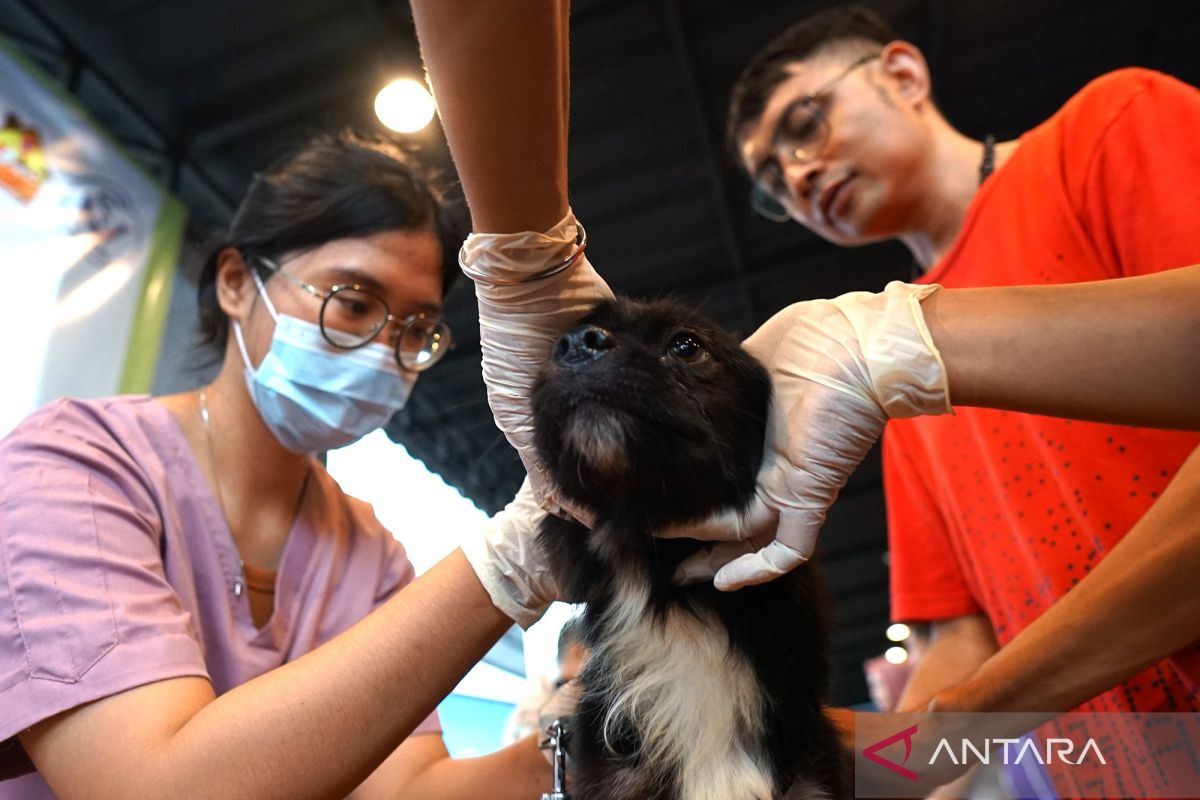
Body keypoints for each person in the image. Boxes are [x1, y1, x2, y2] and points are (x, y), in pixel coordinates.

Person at [410, 1, 1199, 795]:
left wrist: (952, 728)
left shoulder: (1109, 132)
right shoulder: (897, 407)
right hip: (1108, 770)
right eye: (769, 180)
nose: (796, 174)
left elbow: (958, 709)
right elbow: (959, 639)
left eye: (805, 123)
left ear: (902, 72)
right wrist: (853, 765)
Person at [0, 130, 557, 799]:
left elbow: (406, 790)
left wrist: (588, 742)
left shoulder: (369, 554)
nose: (383, 351)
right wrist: (517, 553)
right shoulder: (78, 467)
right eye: (352, 303)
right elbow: (148, 785)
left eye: (414, 330)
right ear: (236, 282)